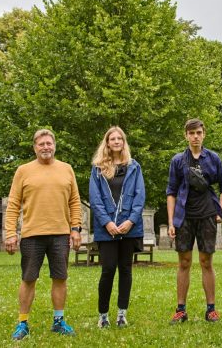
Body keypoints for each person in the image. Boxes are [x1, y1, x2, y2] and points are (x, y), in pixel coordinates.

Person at [5, 129, 82, 340]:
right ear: (35, 147)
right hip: (32, 235)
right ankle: (23, 323)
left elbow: (75, 201)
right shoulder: (23, 171)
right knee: (29, 278)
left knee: (60, 277)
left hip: (60, 234)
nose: (46, 147)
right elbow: (13, 204)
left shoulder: (67, 169)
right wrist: (10, 233)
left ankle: (58, 321)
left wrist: (75, 228)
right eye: (41, 144)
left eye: (49, 143)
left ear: (54, 145)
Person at [166, 118, 222, 324]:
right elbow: (171, 192)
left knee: (206, 262)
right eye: (191, 133)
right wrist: (170, 222)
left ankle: (211, 309)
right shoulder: (178, 161)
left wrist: (218, 211)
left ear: (204, 134)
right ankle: (180, 310)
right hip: (184, 217)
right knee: (184, 262)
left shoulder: (213, 159)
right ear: (186, 135)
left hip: (206, 215)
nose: (195, 136)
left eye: (199, 133)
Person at [89, 127, 145, 329]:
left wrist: (130, 221)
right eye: (112, 138)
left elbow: (139, 198)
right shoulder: (97, 169)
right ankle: (103, 315)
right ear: (107, 142)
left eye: (119, 138)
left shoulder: (134, 167)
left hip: (129, 227)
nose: (116, 141)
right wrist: (107, 223)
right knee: (108, 269)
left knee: (125, 270)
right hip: (107, 229)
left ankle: (122, 314)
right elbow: (95, 200)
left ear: (123, 142)